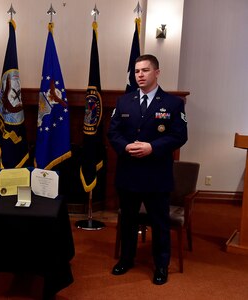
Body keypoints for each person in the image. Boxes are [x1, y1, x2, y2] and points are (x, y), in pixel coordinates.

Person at [108, 54, 188, 285]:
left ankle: (161, 265)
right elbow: (113, 133)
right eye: (136, 71)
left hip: (156, 175)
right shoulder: (125, 101)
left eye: (145, 70)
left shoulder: (173, 104)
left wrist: (152, 147)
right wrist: (125, 147)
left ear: (157, 72)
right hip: (129, 173)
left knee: (159, 223)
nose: (140, 75)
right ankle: (126, 259)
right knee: (128, 221)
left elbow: (179, 136)